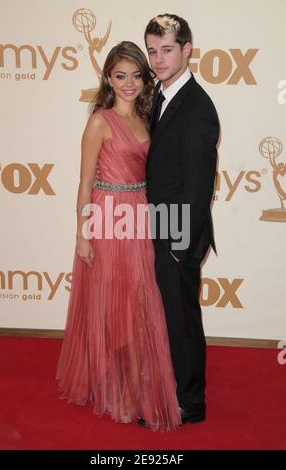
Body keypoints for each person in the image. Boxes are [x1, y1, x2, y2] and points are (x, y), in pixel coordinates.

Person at [56, 41, 181, 431]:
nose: (128, 83)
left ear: (145, 79)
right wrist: (82, 233)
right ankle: (117, 391)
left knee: (140, 303)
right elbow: (84, 181)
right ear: (108, 78)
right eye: (120, 76)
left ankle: (136, 385)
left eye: (135, 76)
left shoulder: (147, 117)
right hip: (107, 220)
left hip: (140, 217)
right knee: (113, 306)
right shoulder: (99, 121)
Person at [140, 14, 220, 426]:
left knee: (181, 320)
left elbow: (197, 187)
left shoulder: (198, 108)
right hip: (157, 226)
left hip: (177, 234)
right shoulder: (161, 93)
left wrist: (179, 245)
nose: (158, 59)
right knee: (168, 317)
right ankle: (172, 389)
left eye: (167, 50)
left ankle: (190, 403)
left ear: (187, 49)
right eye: (153, 51)